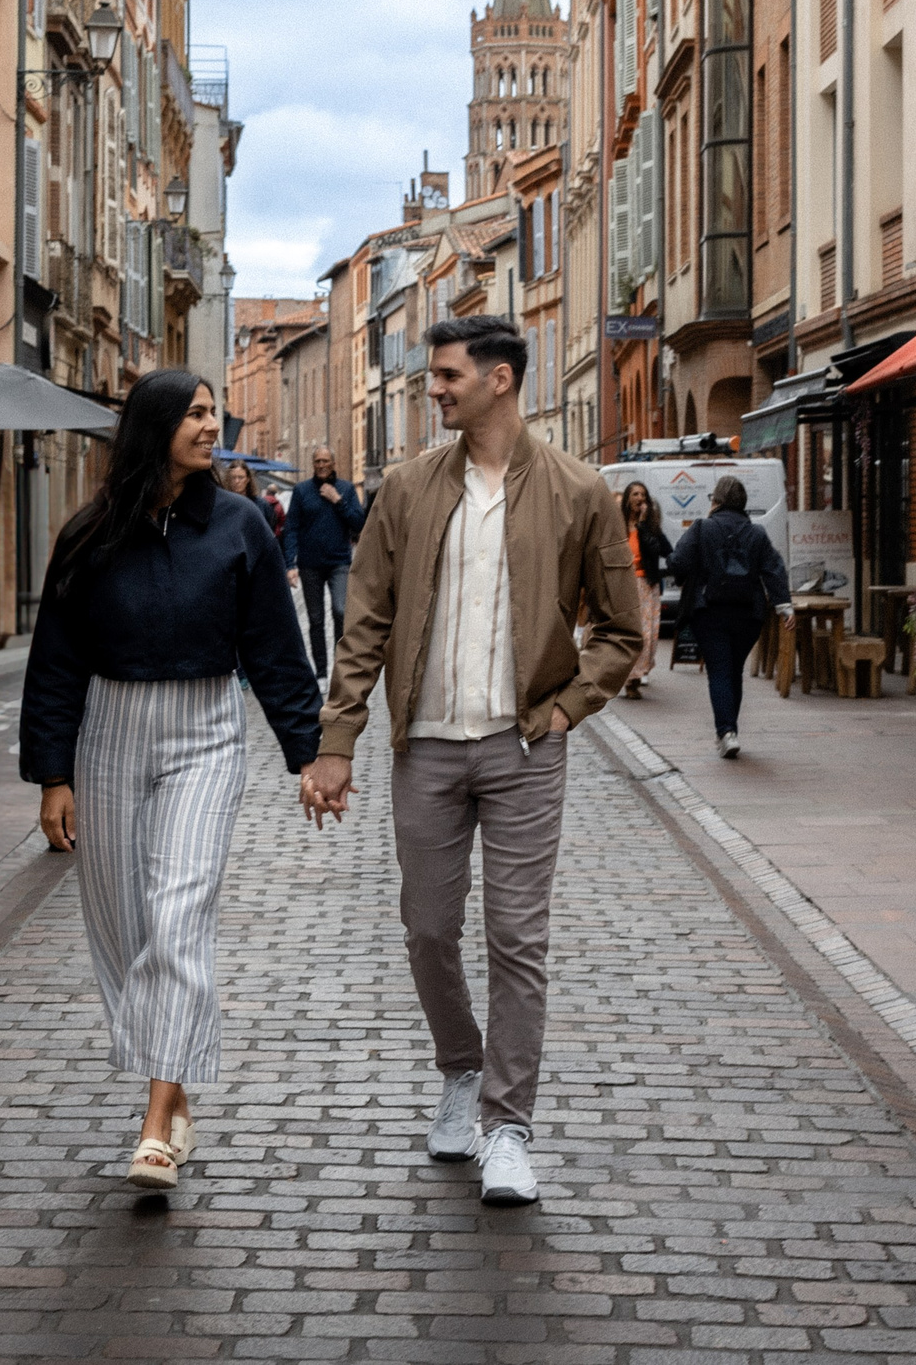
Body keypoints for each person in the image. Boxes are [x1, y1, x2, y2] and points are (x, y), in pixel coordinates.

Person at [300, 316, 641, 1207]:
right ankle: (460, 1066)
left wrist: (565, 709)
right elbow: (365, 621)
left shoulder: (578, 490)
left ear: (499, 378)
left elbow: (621, 629)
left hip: (524, 748)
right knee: (427, 926)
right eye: (433, 375)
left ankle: (509, 1126)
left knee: (518, 937)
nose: (435, 389)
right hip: (427, 747)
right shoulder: (407, 489)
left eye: (449, 375)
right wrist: (338, 741)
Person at [22, 371, 323, 1192]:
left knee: (177, 917)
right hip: (109, 732)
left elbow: (275, 648)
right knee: (123, 929)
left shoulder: (239, 525)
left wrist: (310, 752)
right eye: (194, 412)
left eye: (212, 411)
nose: (210, 424)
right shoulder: (89, 533)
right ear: (155, 425)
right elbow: (55, 661)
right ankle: (176, 1085)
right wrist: (53, 773)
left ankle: (155, 1127)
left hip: (204, 730)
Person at [669, 475, 791, 759]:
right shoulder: (757, 533)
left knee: (720, 671)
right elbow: (774, 568)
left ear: (716, 500)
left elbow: (678, 561)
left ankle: (726, 732)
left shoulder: (702, 528)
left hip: (709, 612)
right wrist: (785, 607)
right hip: (748, 614)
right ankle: (729, 730)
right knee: (734, 670)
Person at [284, 445, 366, 678]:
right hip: (309, 564)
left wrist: (338, 501)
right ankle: (321, 673)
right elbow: (291, 529)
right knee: (316, 619)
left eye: (325, 461)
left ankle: (340, 668)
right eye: (317, 461)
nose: (321, 465)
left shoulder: (346, 489)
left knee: (341, 610)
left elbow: (359, 523)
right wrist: (290, 565)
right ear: (313, 464)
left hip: (339, 562)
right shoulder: (301, 491)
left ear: (333, 463)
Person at [619, 481, 673, 697]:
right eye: (635, 494)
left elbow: (666, 551)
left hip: (646, 585)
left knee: (647, 636)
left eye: (643, 495)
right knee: (627, 634)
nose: (639, 498)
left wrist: (642, 525)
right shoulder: (617, 526)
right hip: (623, 585)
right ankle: (629, 680)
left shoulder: (650, 528)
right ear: (627, 499)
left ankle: (636, 676)